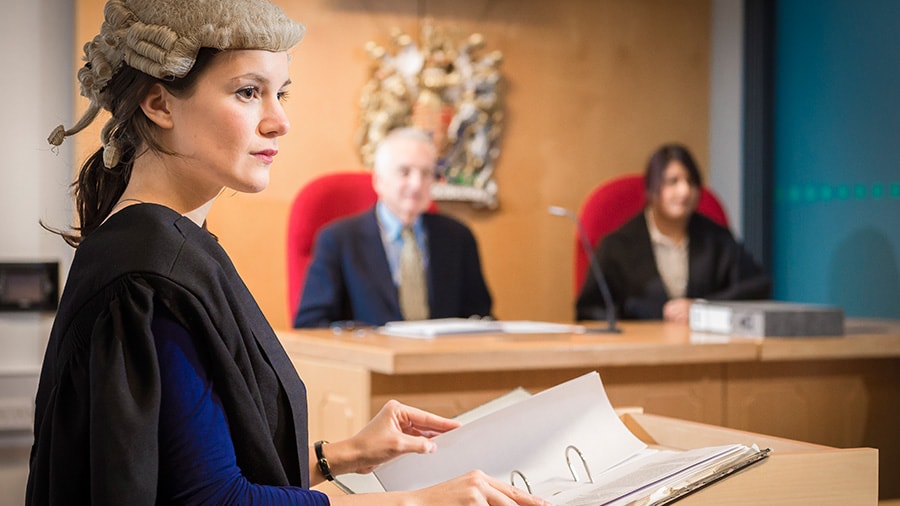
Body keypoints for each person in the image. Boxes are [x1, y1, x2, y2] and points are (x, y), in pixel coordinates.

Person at [27, 1, 546, 505]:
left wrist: (348, 453)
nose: (279, 121)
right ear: (159, 104)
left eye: (281, 93)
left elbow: (195, 465)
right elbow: (214, 500)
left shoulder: (164, 246)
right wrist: (422, 502)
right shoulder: (149, 273)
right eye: (248, 92)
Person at [293, 127, 493, 328]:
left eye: (426, 173)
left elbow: (480, 317)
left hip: (442, 349)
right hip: (368, 348)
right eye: (405, 172)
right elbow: (310, 324)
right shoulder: (338, 240)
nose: (417, 184)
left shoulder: (458, 237)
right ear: (379, 181)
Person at [576, 143, 770, 323]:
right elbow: (589, 311)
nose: (684, 191)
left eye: (691, 182)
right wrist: (645, 313)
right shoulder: (617, 245)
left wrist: (702, 307)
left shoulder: (716, 238)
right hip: (641, 345)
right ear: (652, 188)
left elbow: (757, 286)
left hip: (705, 344)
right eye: (672, 181)